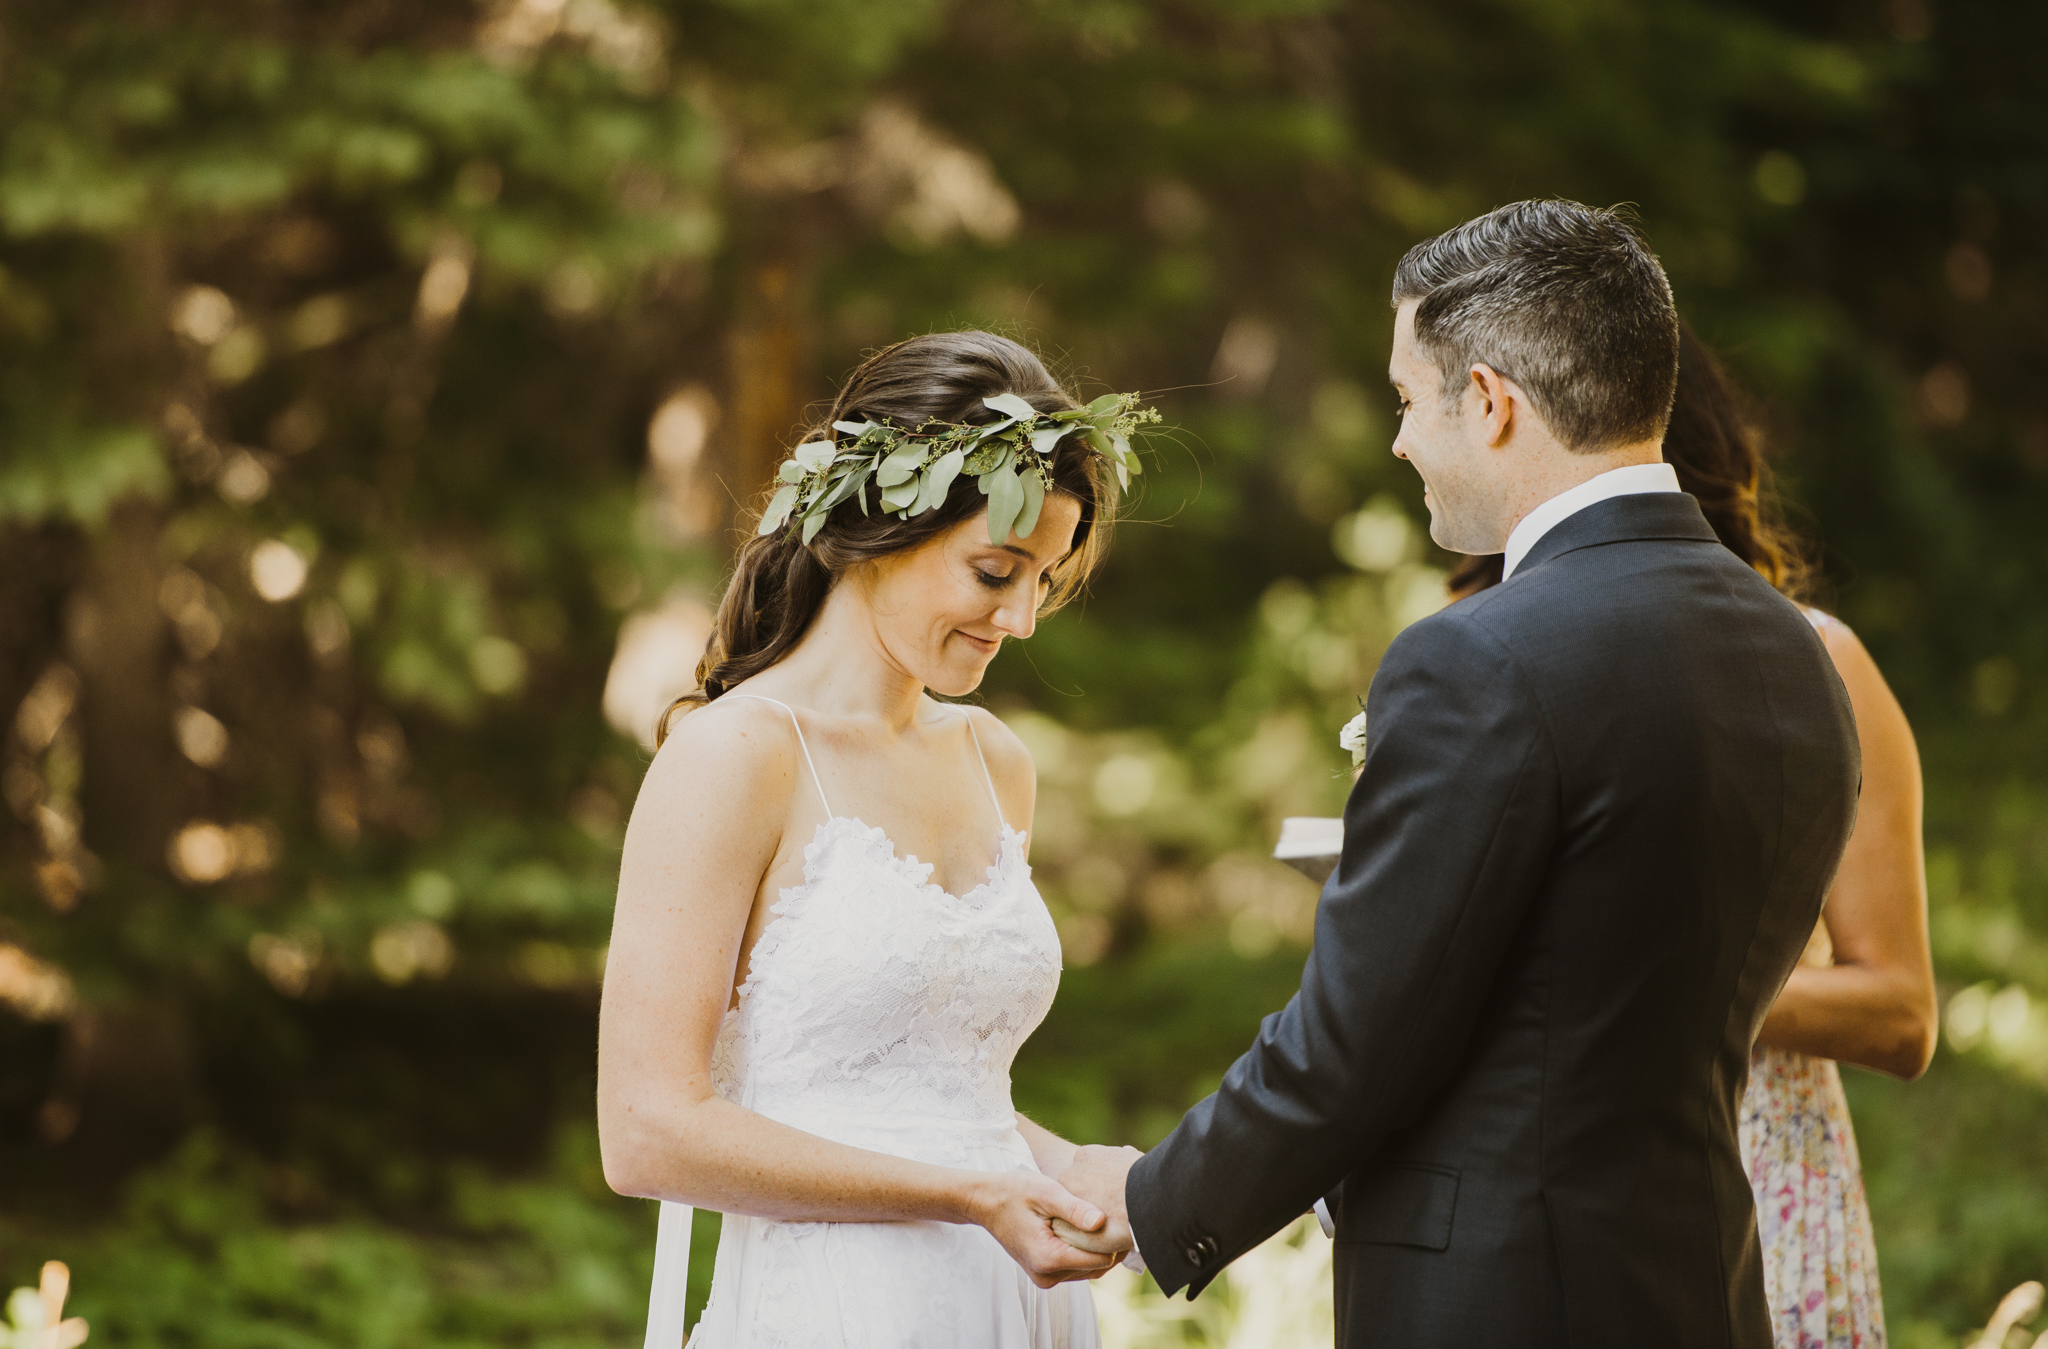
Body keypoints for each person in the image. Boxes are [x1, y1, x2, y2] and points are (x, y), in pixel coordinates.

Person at [1060, 200, 1864, 1348]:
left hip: (1496, 1300)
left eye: (1404, 400)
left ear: (1489, 403)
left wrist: (1151, 1203)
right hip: (1700, 1286)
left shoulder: (1478, 655)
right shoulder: (1792, 652)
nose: (1397, 441)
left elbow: (1355, 1036)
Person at [597, 332, 1146, 1346]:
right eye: (995, 571)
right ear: (874, 527)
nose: (1022, 617)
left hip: (1014, 1303)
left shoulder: (994, 759)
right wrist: (968, 1196)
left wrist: (1070, 1171)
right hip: (840, 1309)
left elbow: (931, 1090)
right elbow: (645, 1130)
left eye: (1044, 580)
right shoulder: (733, 756)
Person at [1446, 322, 1936, 1348]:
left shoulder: (1815, 660)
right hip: (1538, 1179)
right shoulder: (1486, 654)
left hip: (1751, 1174)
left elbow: (1900, 1011)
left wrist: (1661, 980)